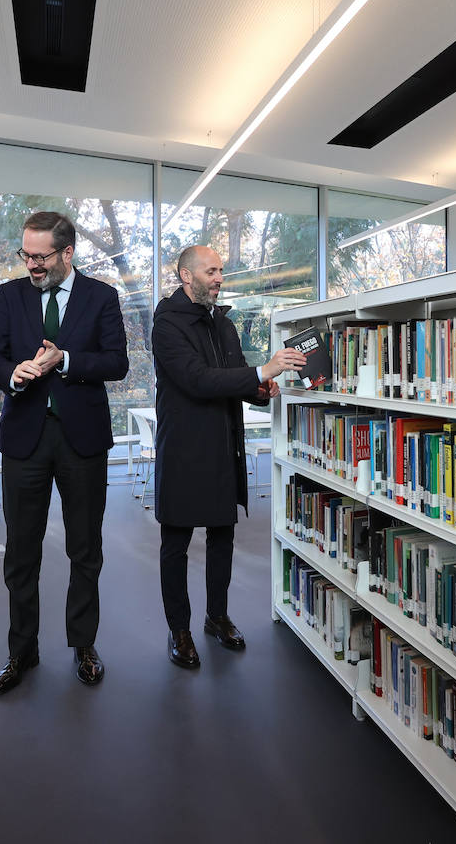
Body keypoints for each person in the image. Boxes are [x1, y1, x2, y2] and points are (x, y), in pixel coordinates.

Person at [0, 211, 128, 694]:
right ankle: (21, 650)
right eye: (26, 255)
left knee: (85, 548)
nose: (32, 265)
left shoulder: (102, 296)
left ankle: (84, 645)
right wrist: (12, 374)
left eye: (40, 256)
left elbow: (117, 362)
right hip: (24, 437)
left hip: (82, 439)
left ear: (67, 253)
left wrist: (66, 360)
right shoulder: (10, 295)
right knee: (21, 551)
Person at [152, 245, 306, 668]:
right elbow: (196, 380)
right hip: (184, 450)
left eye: (221, 270)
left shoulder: (223, 323)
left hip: (223, 444)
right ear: (186, 276)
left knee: (223, 537)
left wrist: (259, 390)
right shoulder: (166, 324)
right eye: (211, 271)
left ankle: (216, 617)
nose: (220, 278)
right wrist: (259, 372)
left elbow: (231, 377)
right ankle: (179, 630)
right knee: (176, 543)